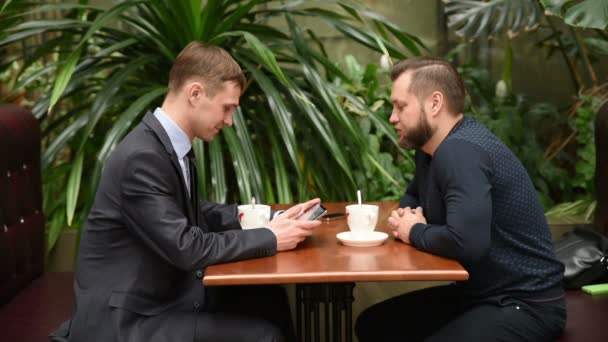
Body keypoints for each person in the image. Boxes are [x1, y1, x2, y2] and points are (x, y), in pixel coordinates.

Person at [50, 41, 322, 342]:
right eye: (227, 108)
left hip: (159, 298)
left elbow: (197, 211)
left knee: (270, 300)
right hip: (128, 319)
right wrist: (271, 237)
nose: (230, 121)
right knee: (264, 335)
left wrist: (273, 217)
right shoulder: (141, 158)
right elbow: (187, 247)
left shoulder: (166, 145)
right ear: (195, 93)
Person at [355, 57, 566, 341]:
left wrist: (414, 230)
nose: (393, 117)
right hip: (480, 293)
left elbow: (467, 243)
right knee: (376, 324)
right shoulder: (431, 149)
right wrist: (407, 216)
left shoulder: (460, 152)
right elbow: (413, 195)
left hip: (525, 303)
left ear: (434, 103)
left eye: (401, 106)